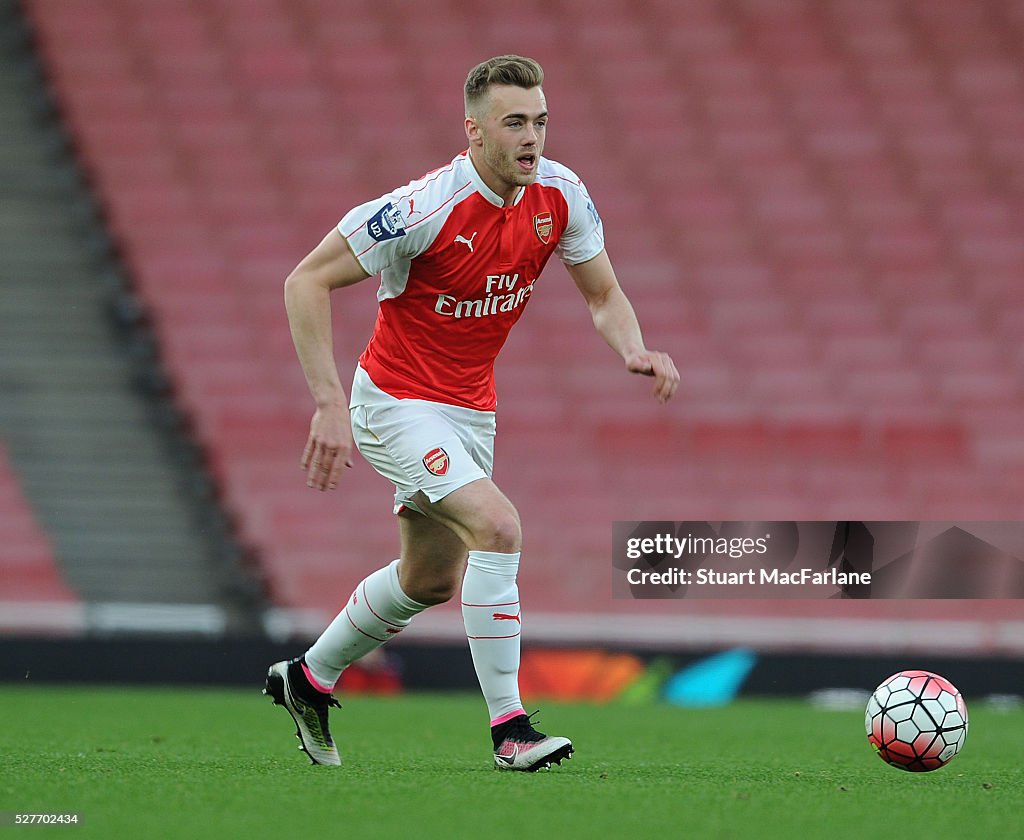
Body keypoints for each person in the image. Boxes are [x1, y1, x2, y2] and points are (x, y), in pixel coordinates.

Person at [264, 54, 679, 771]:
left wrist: (633, 348)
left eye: (541, 122)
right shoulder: (423, 208)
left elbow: (603, 295)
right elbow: (305, 281)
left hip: (469, 411)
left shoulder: (561, 195)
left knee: (428, 579)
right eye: (515, 122)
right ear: (474, 131)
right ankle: (509, 731)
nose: (533, 138)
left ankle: (306, 677)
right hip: (394, 400)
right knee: (500, 525)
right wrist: (328, 402)